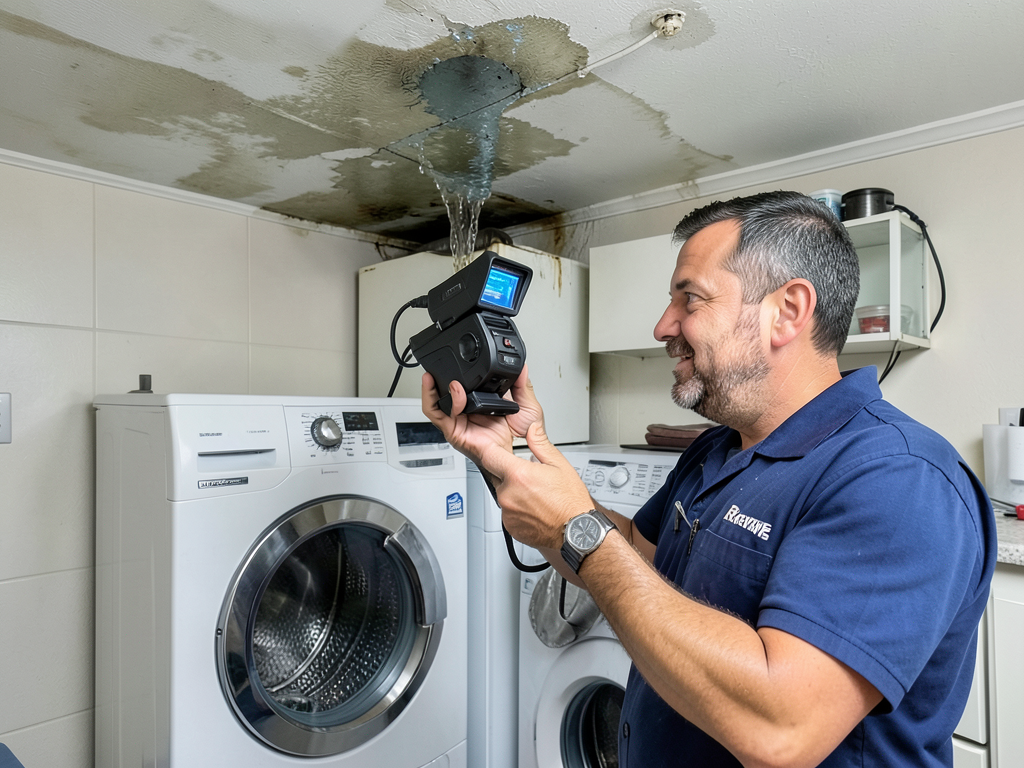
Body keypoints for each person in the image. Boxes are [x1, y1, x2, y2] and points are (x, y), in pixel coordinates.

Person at [421, 190, 995, 768]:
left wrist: (573, 526)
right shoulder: (718, 447)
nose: (662, 326)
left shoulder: (899, 479)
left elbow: (781, 731)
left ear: (788, 311)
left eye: (689, 299)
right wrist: (511, 462)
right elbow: (639, 558)